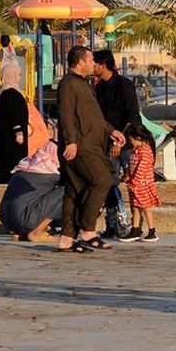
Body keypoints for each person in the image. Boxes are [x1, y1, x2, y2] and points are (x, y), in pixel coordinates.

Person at [56, 45, 124, 253]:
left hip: (92, 143)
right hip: (80, 146)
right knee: (102, 179)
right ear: (80, 62)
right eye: (91, 59)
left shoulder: (84, 84)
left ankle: (67, 239)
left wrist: (111, 130)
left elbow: (93, 115)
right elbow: (66, 114)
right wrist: (71, 141)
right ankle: (87, 230)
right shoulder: (68, 84)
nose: (94, 63)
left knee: (74, 190)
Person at [93, 49, 141, 238]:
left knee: (135, 184)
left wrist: (120, 140)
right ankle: (113, 223)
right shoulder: (99, 88)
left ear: (102, 65)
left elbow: (133, 116)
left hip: (127, 143)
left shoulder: (124, 85)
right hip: (108, 143)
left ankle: (135, 224)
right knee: (109, 182)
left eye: (94, 62)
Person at [0, 131, 64, 243]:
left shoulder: (29, 164)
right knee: (71, 190)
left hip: (7, 221)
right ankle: (37, 233)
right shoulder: (50, 171)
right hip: (26, 221)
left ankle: (20, 233)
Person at [0, 60, 30, 184]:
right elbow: (13, 113)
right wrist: (18, 131)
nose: (20, 77)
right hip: (11, 135)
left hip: (7, 133)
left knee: (1, 155)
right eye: (18, 75)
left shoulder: (5, 92)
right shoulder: (10, 93)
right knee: (11, 157)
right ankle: (2, 178)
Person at [118, 122, 160, 242]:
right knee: (136, 207)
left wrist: (134, 182)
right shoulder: (136, 150)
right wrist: (127, 177)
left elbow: (141, 169)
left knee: (145, 207)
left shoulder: (145, 151)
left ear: (138, 138)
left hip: (142, 185)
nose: (130, 143)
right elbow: (131, 166)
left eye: (131, 140)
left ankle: (152, 230)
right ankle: (135, 229)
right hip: (134, 184)